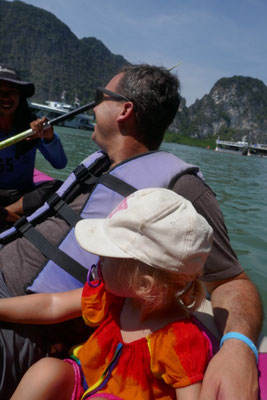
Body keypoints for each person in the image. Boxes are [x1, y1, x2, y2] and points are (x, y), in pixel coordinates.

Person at [0, 64, 263, 399]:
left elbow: (233, 281)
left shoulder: (179, 189)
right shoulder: (97, 163)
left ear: (124, 110)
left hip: (26, 316)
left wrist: (239, 347)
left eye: (99, 98)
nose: (93, 107)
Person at [3, 188, 214, 399]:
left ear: (143, 284)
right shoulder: (114, 296)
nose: (97, 257)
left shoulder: (180, 340)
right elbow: (52, 305)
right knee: (47, 370)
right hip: (82, 381)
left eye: (107, 255)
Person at [0, 63, 67, 224]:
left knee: (58, 186)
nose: (6, 98)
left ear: (19, 97)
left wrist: (49, 137)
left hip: (21, 196)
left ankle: (6, 214)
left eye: (12, 93)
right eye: (0, 93)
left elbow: (60, 164)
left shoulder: (32, 127)